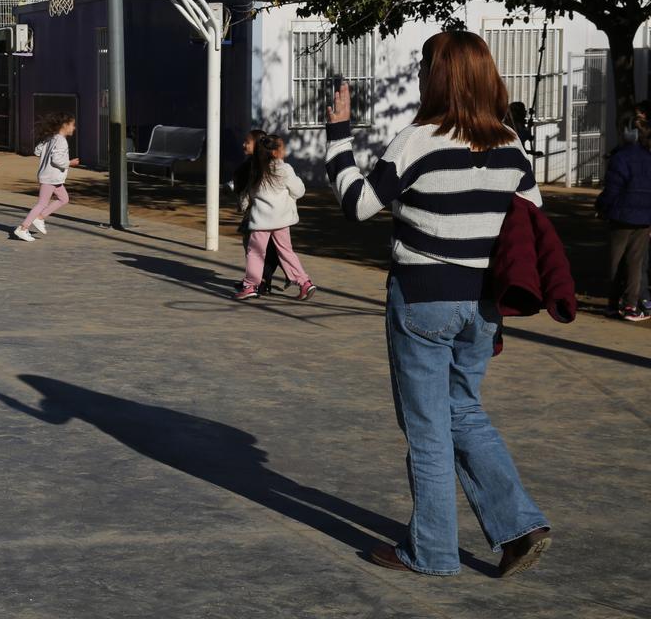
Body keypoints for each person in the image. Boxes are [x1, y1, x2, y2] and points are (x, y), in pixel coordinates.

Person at [326, 30, 551, 578]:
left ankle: (432, 550)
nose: (420, 74)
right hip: (482, 306)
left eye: (425, 66)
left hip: (423, 300)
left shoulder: (417, 141)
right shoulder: (511, 145)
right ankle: (519, 525)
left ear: (440, 76)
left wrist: (338, 133)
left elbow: (359, 205)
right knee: (462, 411)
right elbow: (529, 218)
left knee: (427, 428)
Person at [235, 134, 317, 300]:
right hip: (282, 220)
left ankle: (251, 284)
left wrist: (243, 207)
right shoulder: (285, 169)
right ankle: (304, 282)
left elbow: (248, 194)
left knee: (255, 253)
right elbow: (299, 191)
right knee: (286, 252)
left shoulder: (256, 170)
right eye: (283, 148)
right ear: (275, 152)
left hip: (260, 222)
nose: (285, 151)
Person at [595, 119, 651, 321]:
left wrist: (601, 207)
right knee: (636, 262)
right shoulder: (648, 158)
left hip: (621, 216)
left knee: (615, 261)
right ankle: (631, 306)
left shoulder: (620, 158)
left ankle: (612, 304)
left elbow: (612, 190)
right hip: (644, 218)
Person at [232, 129, 285, 294]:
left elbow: (250, 191)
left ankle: (260, 280)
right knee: (252, 248)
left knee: (260, 249)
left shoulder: (261, 167)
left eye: (247, 141)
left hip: (260, 216)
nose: (244, 144)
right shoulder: (249, 165)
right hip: (256, 215)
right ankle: (256, 279)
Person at [13, 112, 79, 242]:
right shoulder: (61, 141)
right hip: (51, 177)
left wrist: (45, 144)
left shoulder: (51, 138)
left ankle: (40, 218)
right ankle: (23, 228)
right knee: (42, 203)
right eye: (72, 125)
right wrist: (70, 163)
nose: (74, 128)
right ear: (64, 125)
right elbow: (57, 160)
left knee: (64, 199)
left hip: (52, 177)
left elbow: (37, 151)